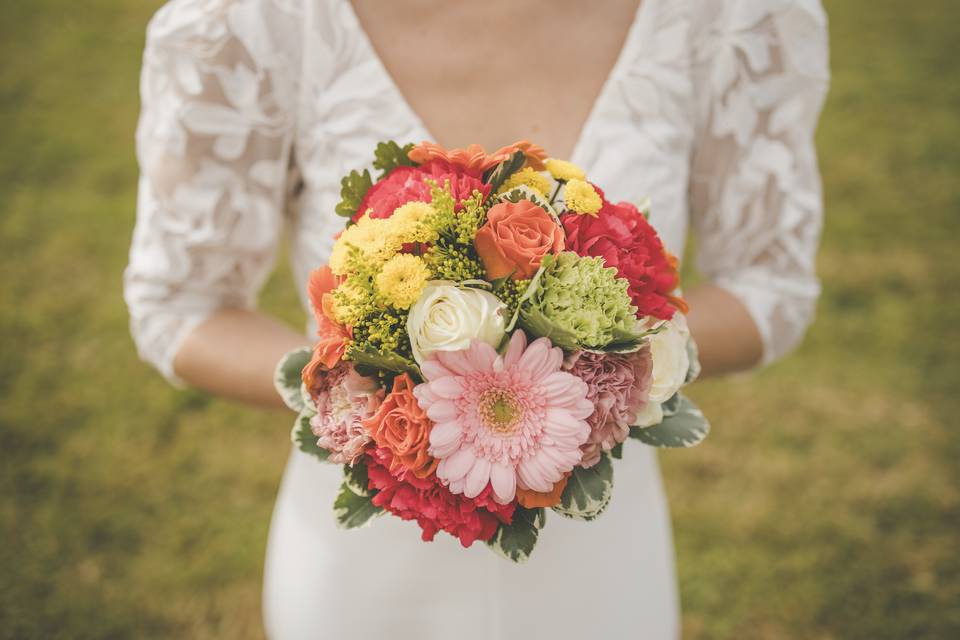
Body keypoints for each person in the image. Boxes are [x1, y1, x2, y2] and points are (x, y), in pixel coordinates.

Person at [124, 1, 829, 637]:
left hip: (599, 572)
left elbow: (769, 285)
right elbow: (183, 305)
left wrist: (586, 379)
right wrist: (368, 407)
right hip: (366, 574)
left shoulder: (732, 17)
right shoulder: (249, 23)